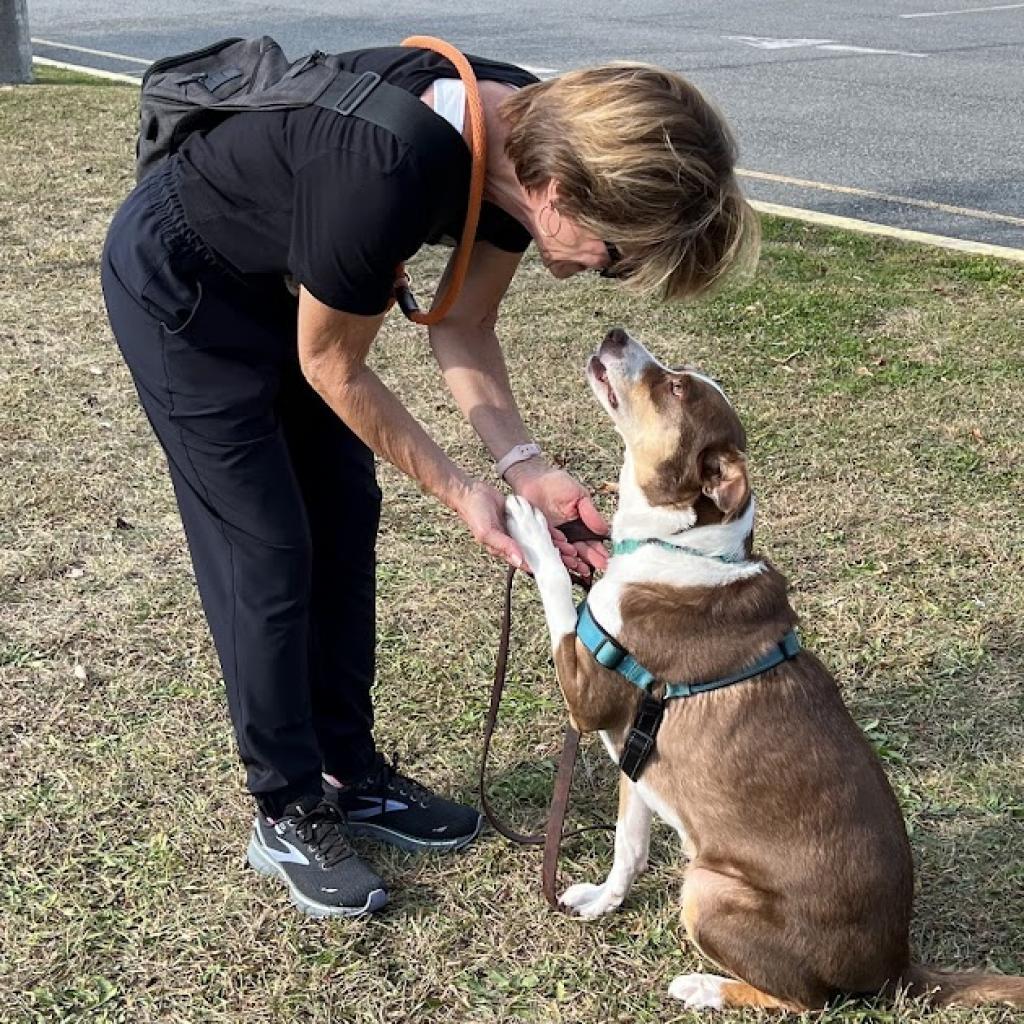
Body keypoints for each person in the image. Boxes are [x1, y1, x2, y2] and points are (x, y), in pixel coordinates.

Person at [100, 44, 759, 918]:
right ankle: (287, 807)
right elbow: (331, 363)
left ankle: (351, 770)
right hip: (185, 287)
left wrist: (525, 469)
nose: (607, 274)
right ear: (560, 200)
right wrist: (461, 493)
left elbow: (465, 322)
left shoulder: (533, 138)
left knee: (345, 511)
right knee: (266, 547)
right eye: (616, 254)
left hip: (289, 272)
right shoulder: (390, 164)